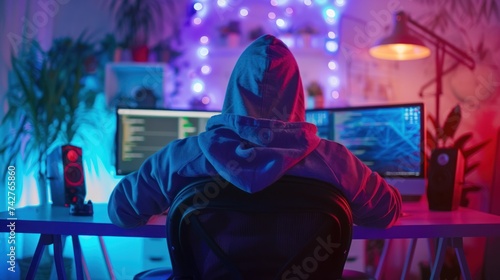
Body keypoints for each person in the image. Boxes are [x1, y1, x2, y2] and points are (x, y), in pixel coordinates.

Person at [108, 34, 402, 229]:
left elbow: (121, 210)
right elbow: (386, 211)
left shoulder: (183, 157)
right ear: (295, 93)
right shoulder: (334, 161)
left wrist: (172, 205)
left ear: (233, 89)